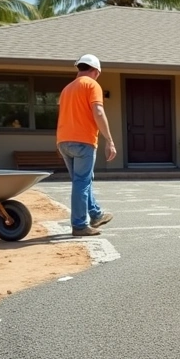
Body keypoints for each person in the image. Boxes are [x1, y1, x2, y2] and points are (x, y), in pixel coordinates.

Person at [56, 53, 116, 237]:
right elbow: (98, 111)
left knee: (82, 180)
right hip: (83, 142)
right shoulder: (92, 85)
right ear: (96, 71)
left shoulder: (67, 89)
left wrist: (59, 142)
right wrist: (110, 140)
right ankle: (80, 225)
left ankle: (96, 214)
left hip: (64, 141)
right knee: (82, 182)